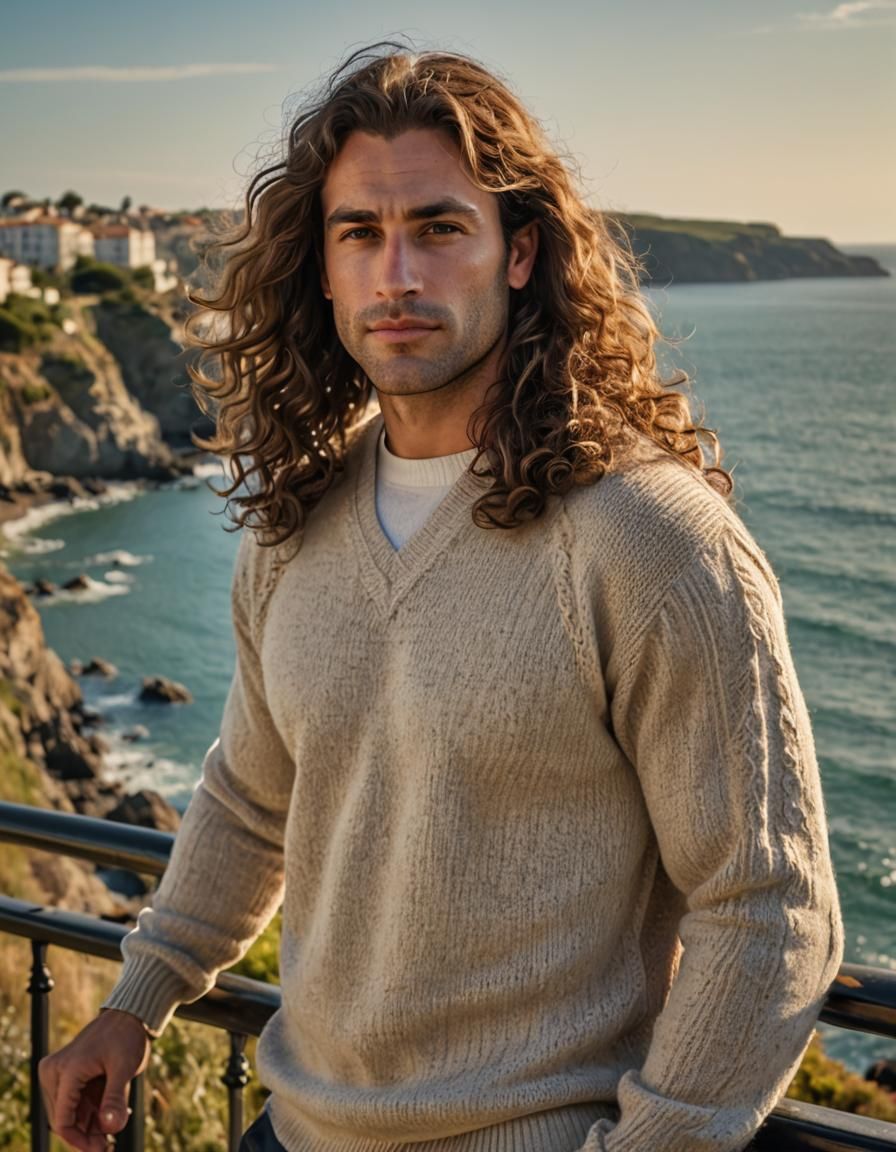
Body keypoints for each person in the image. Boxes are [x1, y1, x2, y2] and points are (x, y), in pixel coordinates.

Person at [39, 43, 844, 1152]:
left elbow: (768, 907)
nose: (397, 275)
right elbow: (248, 800)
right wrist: (135, 1004)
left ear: (519, 254)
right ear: (320, 270)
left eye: (438, 228)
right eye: (359, 235)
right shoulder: (297, 523)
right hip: (292, 1131)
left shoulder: (650, 541)